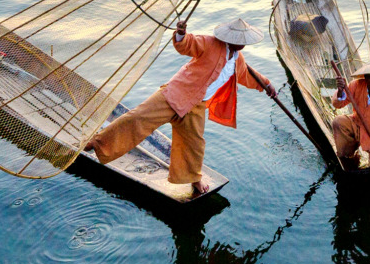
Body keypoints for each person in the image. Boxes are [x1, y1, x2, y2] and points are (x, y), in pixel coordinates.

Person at [85, 18, 276, 197]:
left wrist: (267, 86)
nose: (241, 44)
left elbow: (248, 76)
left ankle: (194, 180)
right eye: (238, 40)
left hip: (196, 106)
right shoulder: (210, 43)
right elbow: (189, 44)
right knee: (138, 118)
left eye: (243, 41)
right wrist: (181, 34)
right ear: (229, 38)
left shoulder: (237, 59)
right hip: (175, 94)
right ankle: (98, 143)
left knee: (195, 144)